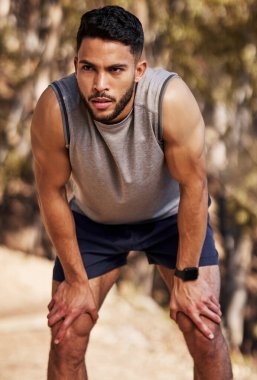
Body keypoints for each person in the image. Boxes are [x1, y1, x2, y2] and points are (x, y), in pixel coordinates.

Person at [31, 5, 233, 380]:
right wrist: (76, 282)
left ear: (139, 71)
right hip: (95, 221)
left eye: (115, 70)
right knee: (67, 332)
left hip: (171, 219)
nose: (99, 84)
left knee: (201, 327)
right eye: (88, 68)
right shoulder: (55, 107)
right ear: (76, 64)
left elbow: (194, 185)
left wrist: (187, 277)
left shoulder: (168, 99)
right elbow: (51, 192)